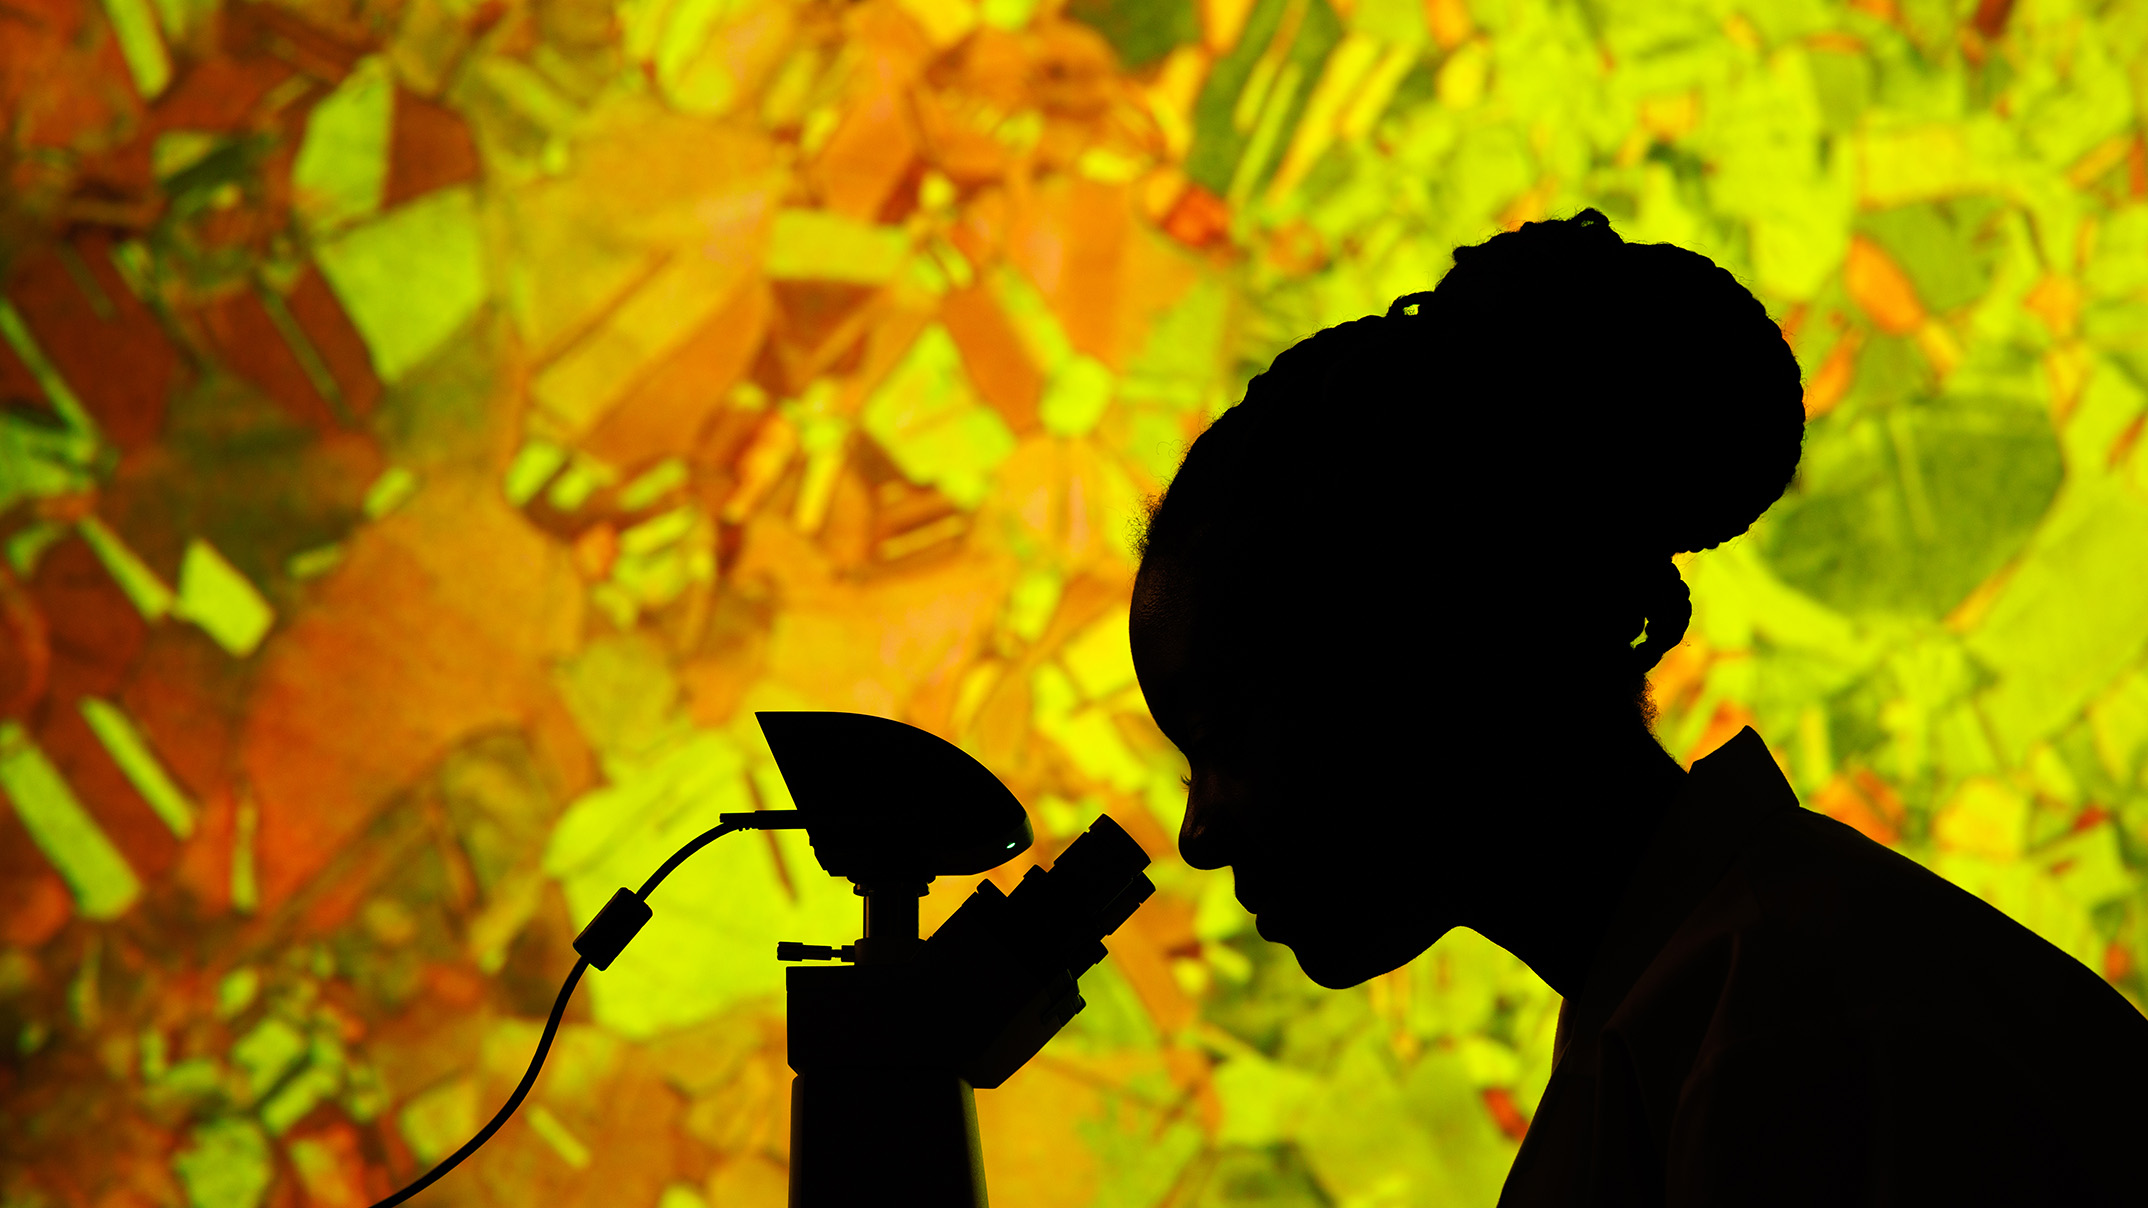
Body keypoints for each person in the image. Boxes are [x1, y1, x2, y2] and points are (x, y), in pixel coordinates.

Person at [1128, 208, 2148, 1205]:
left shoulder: (1786, 1046)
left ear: (1434, 645)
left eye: (1222, 739)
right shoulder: (1719, 1009)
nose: (1201, 832)